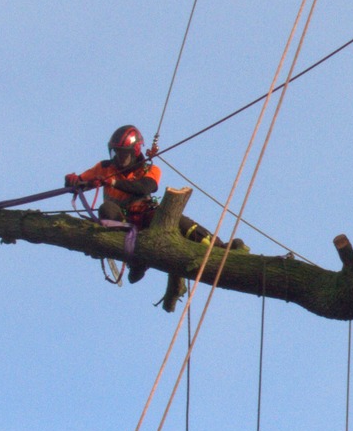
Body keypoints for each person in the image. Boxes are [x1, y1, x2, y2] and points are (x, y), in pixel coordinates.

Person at [67, 125, 236, 304]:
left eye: (124, 153)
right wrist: (73, 181)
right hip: (120, 221)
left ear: (135, 152)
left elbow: (145, 187)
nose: (120, 157)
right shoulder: (104, 167)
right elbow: (81, 182)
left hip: (144, 217)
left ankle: (217, 246)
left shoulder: (148, 170)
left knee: (180, 222)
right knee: (106, 209)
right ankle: (134, 260)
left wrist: (114, 182)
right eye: (117, 152)